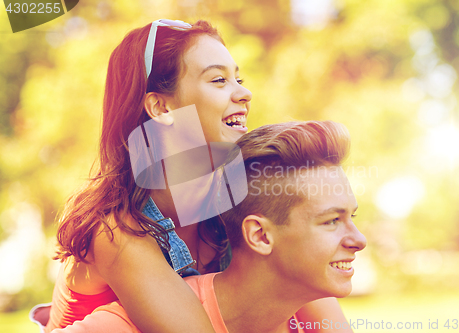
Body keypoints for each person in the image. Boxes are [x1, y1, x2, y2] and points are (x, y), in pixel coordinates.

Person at [42, 18, 352, 333]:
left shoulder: (239, 193)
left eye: (238, 78)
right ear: (161, 108)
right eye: (219, 80)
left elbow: (300, 281)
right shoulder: (116, 228)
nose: (245, 93)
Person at [51, 120, 367, 333]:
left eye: (351, 217)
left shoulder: (311, 313)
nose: (359, 240)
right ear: (259, 235)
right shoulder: (130, 324)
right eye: (331, 221)